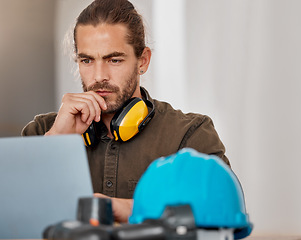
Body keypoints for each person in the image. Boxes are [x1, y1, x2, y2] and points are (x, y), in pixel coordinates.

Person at [22, 0, 230, 223]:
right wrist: (57, 142)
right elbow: (13, 214)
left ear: (143, 60)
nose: (99, 75)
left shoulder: (189, 133)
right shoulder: (42, 132)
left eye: (114, 59)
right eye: (87, 60)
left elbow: (225, 209)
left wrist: (135, 208)